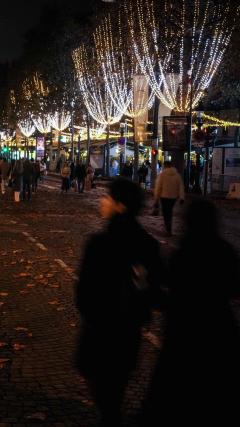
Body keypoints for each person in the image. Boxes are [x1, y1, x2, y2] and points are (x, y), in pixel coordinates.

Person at [141, 200, 240, 426]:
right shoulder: (224, 250)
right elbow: (234, 286)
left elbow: (166, 286)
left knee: (176, 388)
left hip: (183, 329)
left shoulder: (183, 251)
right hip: (219, 327)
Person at [75, 178, 164, 427]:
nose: (102, 201)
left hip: (99, 331)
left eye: (107, 197)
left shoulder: (99, 244)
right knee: (117, 388)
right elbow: (156, 292)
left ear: (120, 206)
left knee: (105, 396)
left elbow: (83, 293)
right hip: (129, 332)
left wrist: (93, 313)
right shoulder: (149, 244)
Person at [153, 160, 185, 236]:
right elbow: (181, 187)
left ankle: (168, 228)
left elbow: (158, 187)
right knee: (169, 211)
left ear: (165, 166)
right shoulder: (177, 175)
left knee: (165, 212)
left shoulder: (162, 174)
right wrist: (181, 197)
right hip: (173, 197)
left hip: (164, 196)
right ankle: (169, 227)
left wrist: (156, 198)